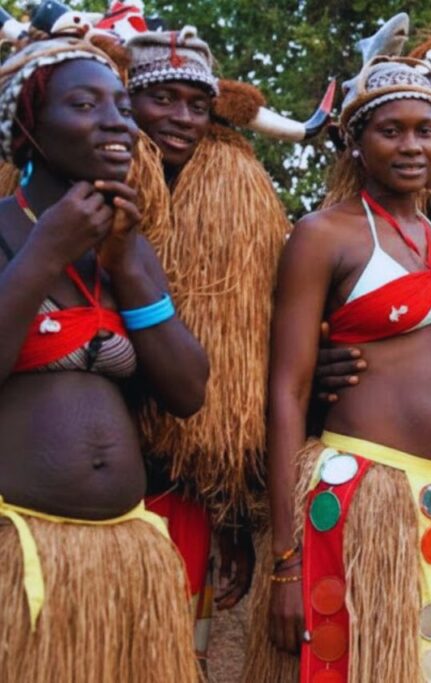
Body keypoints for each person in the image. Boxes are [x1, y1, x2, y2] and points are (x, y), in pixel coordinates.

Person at [245, 56, 431, 683]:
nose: (411, 147)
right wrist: (286, 559)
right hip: (359, 494)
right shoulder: (324, 235)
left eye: (424, 131)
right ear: (355, 141)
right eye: (390, 131)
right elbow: (287, 392)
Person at [0, 35, 207, 682]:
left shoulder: (127, 246)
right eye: (85, 105)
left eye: (121, 105)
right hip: (20, 549)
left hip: (124, 557)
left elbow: (188, 390)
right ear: (28, 127)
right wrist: (42, 256)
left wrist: (128, 270)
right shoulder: (5, 229)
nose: (117, 121)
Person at [124, 25, 313, 662]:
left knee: (175, 659)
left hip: (181, 494)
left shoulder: (237, 200)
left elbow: (239, 384)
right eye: (162, 99)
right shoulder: (72, 192)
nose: (181, 119)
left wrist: (232, 519)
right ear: (124, 101)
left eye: (197, 104)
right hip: (61, 486)